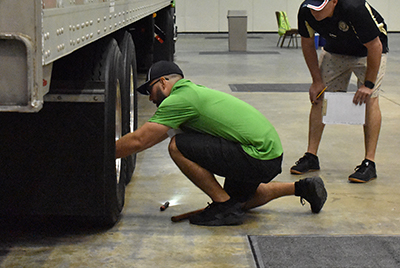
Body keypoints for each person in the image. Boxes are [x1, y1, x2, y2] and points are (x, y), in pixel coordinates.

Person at [116, 60, 327, 226]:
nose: (150, 98)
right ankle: (302, 188)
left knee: (177, 146)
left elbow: (140, 140)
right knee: (240, 202)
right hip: (268, 155)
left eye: (150, 90)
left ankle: (223, 205)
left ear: (163, 81)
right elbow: (153, 136)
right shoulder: (192, 93)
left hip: (257, 154)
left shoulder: (179, 99)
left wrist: (101, 154)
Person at [291, 0, 388, 183]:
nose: (315, 11)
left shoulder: (354, 8)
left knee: (370, 100)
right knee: (319, 96)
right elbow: (308, 44)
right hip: (335, 51)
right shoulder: (306, 11)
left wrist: (368, 85)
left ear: (334, 1)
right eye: (312, 5)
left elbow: (375, 46)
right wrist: (316, 81)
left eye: (320, 7)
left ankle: (369, 163)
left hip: (367, 52)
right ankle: (311, 156)